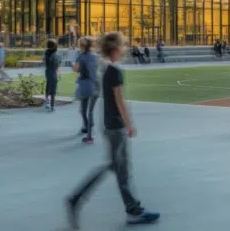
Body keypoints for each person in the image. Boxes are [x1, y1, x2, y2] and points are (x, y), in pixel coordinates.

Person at [65, 31, 160, 228]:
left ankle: (81, 199)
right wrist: (129, 124)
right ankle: (131, 210)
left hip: (108, 125)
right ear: (117, 49)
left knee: (116, 167)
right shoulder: (115, 70)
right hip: (116, 126)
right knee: (121, 169)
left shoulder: (105, 67)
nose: (125, 48)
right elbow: (120, 101)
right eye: (123, 45)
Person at [73, 36, 99, 145]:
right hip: (96, 84)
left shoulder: (81, 57)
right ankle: (89, 130)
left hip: (85, 84)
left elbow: (76, 69)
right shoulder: (96, 56)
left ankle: (88, 130)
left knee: (83, 110)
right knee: (91, 110)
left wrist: (73, 64)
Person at [43, 39, 60, 112]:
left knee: (48, 87)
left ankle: (47, 103)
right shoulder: (55, 55)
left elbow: (45, 61)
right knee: (53, 90)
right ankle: (52, 106)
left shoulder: (47, 54)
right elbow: (56, 65)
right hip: (53, 73)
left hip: (48, 72)